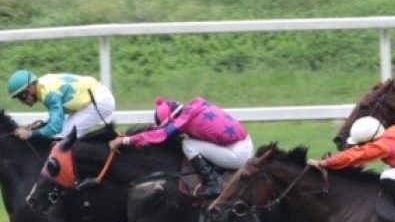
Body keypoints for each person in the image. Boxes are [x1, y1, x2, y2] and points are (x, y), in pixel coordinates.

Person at [109, 96, 254, 198]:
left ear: (172, 119)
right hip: (243, 144)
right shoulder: (196, 106)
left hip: (239, 154)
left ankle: (213, 183)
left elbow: (161, 135)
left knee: (188, 144)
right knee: (191, 140)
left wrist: (126, 140)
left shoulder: (183, 121)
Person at [7, 69, 115, 140]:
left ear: (31, 87)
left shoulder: (49, 93)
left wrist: (31, 134)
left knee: (63, 136)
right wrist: (33, 127)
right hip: (92, 96)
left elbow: (55, 127)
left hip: (100, 101)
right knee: (65, 133)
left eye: (22, 96)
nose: (22, 101)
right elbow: (55, 119)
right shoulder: (41, 86)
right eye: (19, 98)